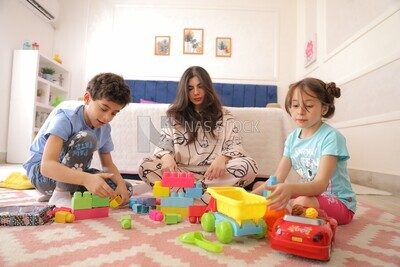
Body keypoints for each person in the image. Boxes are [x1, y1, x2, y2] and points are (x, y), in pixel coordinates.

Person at [138, 66, 258, 201]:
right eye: (190, 88)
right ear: (185, 91)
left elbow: (235, 145)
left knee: (249, 166)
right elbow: (163, 145)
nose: (196, 92)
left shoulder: (224, 116)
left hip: (214, 175)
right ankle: (204, 193)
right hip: (181, 173)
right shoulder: (174, 116)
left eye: (200, 86)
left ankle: (189, 191)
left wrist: (223, 158)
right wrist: (167, 158)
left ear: (207, 88)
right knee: (145, 165)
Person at [252, 77, 356, 225]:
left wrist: (289, 189)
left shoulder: (331, 137)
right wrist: (248, 196)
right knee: (262, 187)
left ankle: (290, 210)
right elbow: (278, 178)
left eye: (308, 106)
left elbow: (320, 185)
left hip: (339, 203)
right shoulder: (292, 139)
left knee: (301, 201)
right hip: (311, 197)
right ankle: (289, 209)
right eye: (295, 105)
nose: (300, 112)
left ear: (324, 109)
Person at [23, 72, 133, 207]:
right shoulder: (65, 118)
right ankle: (60, 195)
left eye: (114, 113)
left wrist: (120, 184)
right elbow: (47, 167)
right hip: (42, 175)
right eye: (104, 108)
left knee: (124, 189)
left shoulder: (105, 128)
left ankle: (66, 193)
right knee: (87, 137)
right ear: (87, 98)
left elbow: (108, 165)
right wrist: (86, 179)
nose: (107, 118)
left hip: (74, 175)